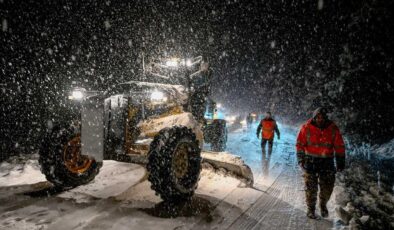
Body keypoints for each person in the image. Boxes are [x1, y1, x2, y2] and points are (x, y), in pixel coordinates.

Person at [296, 107, 346, 219]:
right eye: (317, 117)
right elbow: (299, 144)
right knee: (310, 187)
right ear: (314, 117)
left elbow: (339, 146)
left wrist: (340, 161)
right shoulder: (306, 127)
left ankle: (323, 204)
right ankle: (311, 209)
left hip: (327, 162)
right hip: (310, 161)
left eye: (322, 117)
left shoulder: (333, 128)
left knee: (327, 187)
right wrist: (300, 158)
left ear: (325, 117)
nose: (320, 119)